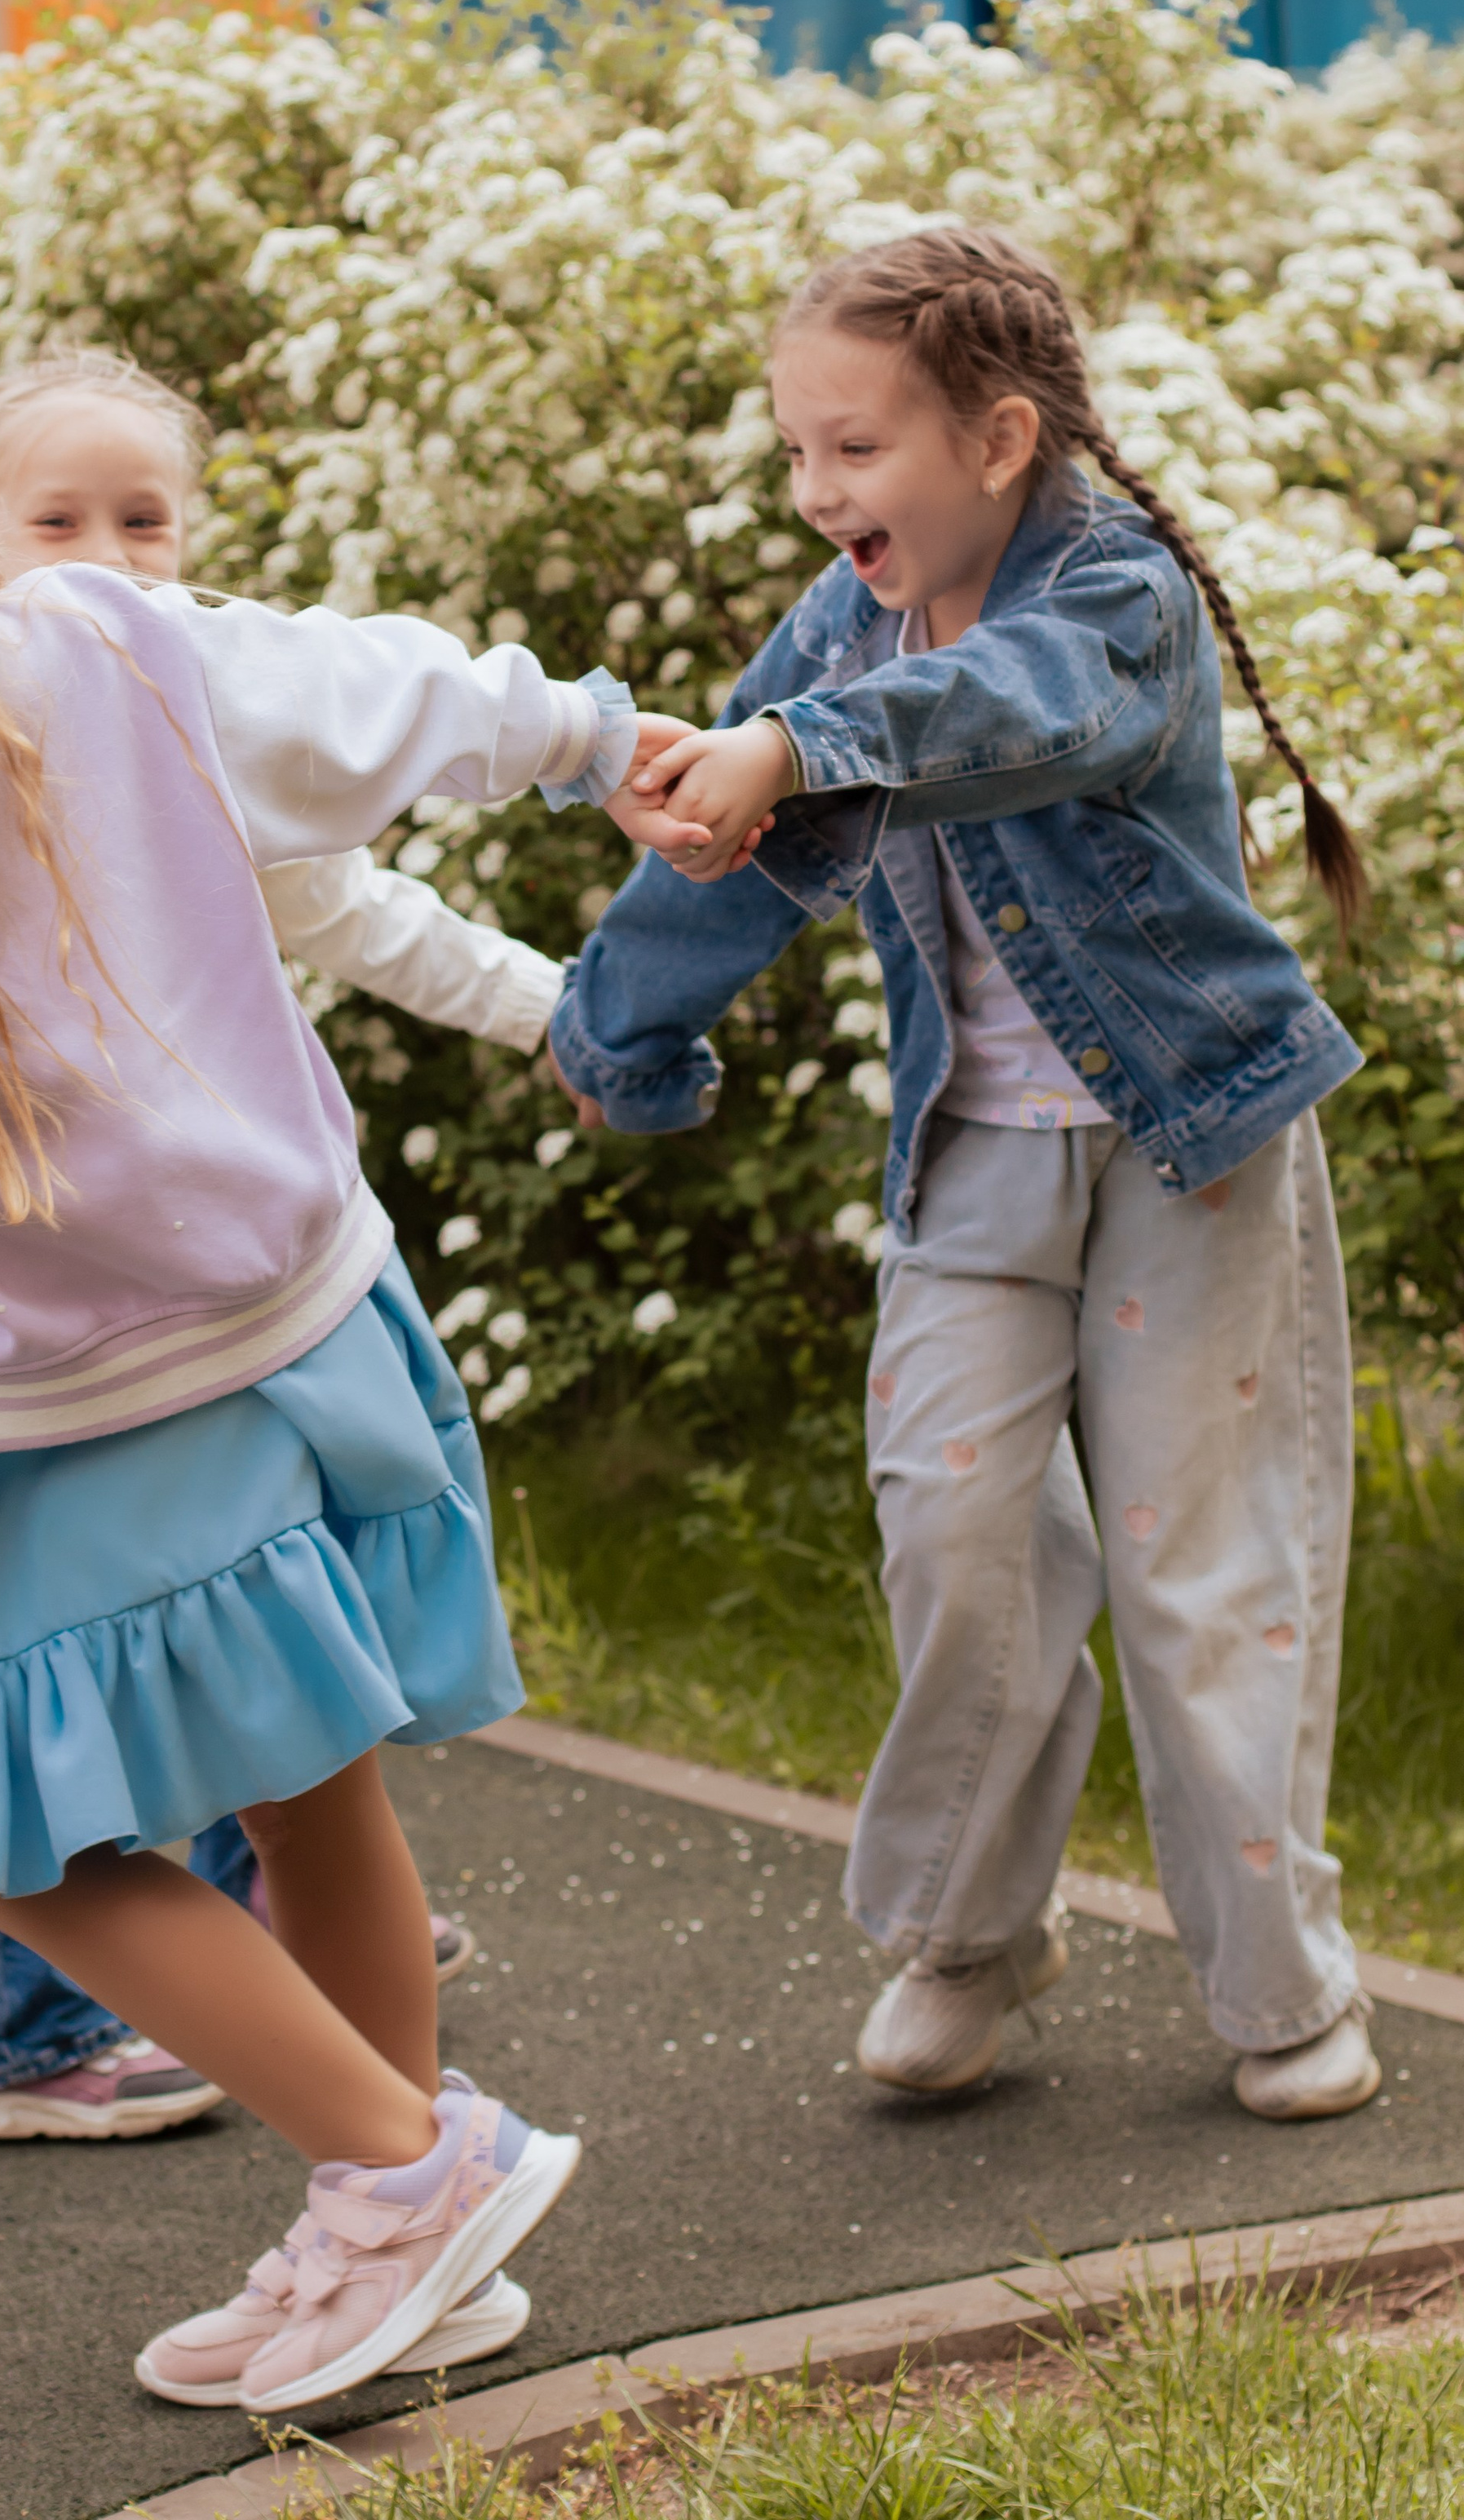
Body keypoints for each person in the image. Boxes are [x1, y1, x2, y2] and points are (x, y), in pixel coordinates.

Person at [0, 246, 705, 2411]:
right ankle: (395, 2230)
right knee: (310, 1792)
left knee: (19, 1851)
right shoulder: (98, 646)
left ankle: (415, 2172)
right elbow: (372, 697)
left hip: (33, 1402)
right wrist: (600, 740)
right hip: (280, 1308)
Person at [552, 224, 1381, 2126]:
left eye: (851, 448)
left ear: (996, 439)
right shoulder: (836, 636)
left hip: (1191, 1145)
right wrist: (616, 1034)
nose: (812, 489)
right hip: (972, 1166)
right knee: (951, 1534)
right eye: (793, 450)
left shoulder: (1112, 593)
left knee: (1196, 1571)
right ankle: (969, 1935)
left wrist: (791, 746)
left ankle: (1279, 1984)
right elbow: (726, 841)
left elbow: (1013, 712)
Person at [0, 348, 565, 2184]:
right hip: (67, 1303)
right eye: (58, 520)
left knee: (195, 1671)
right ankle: (21, 2034)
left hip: (206, 1284)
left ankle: (355, 2115)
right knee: (76, 1688)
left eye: (147, 520)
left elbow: (345, 906)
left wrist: (552, 1012)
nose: (111, 555)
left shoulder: (180, 711)